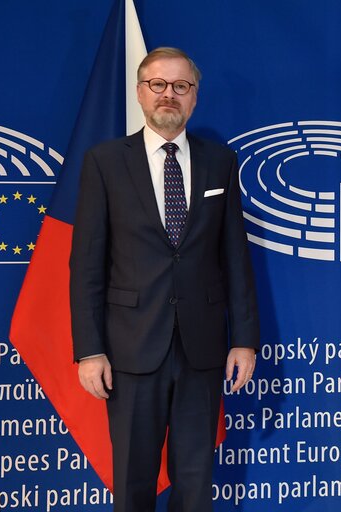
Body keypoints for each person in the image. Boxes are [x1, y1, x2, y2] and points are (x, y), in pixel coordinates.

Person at [69, 47, 260, 511]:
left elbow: (234, 256)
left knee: (195, 482)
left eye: (181, 86)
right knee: (133, 481)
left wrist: (245, 340)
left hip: (202, 349)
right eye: (158, 85)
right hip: (131, 348)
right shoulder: (105, 162)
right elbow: (87, 263)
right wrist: (89, 349)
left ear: (195, 98)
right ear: (140, 93)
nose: (168, 95)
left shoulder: (220, 162)